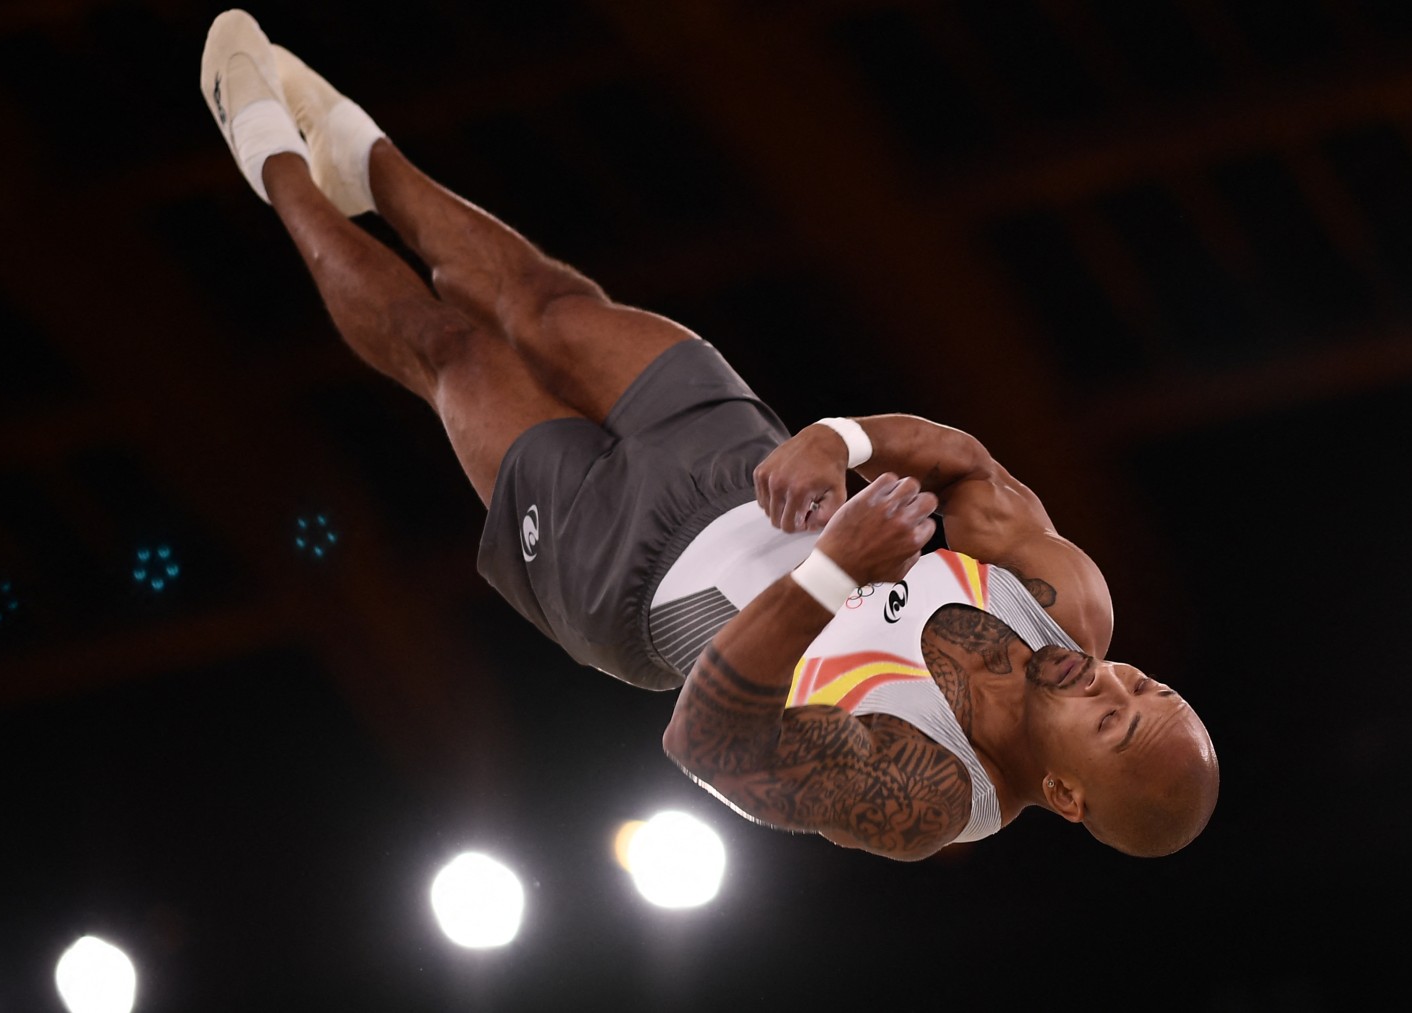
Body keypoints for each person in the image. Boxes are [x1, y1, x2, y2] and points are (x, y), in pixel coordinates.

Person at [198, 10, 1218, 861]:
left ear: (1066, 793)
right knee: (549, 302)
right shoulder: (1068, 605)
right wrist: (838, 441)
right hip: (750, 467)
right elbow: (969, 463)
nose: (1111, 678)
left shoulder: (927, 791)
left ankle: (271, 157)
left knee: (453, 350)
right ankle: (361, 152)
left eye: (1115, 719)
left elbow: (707, 742)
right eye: (1148, 682)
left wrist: (832, 574)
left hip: (627, 586)